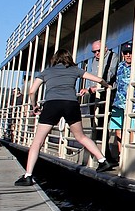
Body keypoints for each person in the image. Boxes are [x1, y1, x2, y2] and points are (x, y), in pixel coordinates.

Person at [14, 49, 115, 186]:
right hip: (70, 104)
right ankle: (103, 160)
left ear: (54, 59)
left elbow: (32, 91)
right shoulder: (74, 69)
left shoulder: (46, 72)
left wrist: (34, 106)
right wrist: (107, 86)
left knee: (37, 141)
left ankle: (28, 175)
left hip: (52, 105)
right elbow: (99, 79)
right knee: (81, 136)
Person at [107, 42, 135, 156]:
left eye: (130, 53)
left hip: (133, 102)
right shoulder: (119, 66)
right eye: (126, 53)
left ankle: (129, 154)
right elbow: (114, 81)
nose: (128, 55)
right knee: (118, 128)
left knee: (130, 128)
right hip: (118, 102)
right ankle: (121, 154)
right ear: (123, 54)